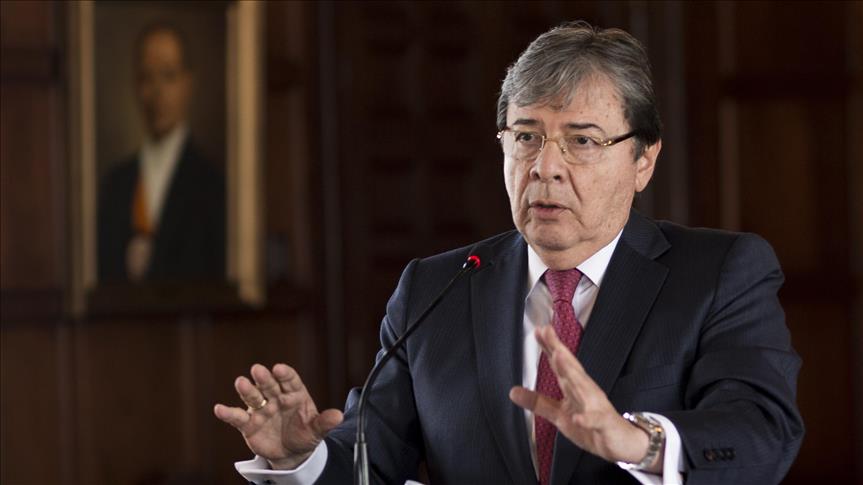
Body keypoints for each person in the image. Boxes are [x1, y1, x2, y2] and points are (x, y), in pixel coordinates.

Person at [214, 21, 803, 484]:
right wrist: (302, 458)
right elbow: (374, 460)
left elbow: (763, 433)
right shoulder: (435, 289)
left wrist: (638, 441)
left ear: (643, 160)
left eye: (581, 141)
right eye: (525, 137)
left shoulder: (718, 275)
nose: (545, 167)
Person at [98, 23, 225, 283]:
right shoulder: (116, 183)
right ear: (136, 87)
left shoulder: (213, 183)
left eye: (168, 76)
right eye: (147, 78)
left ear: (188, 84)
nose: (157, 93)